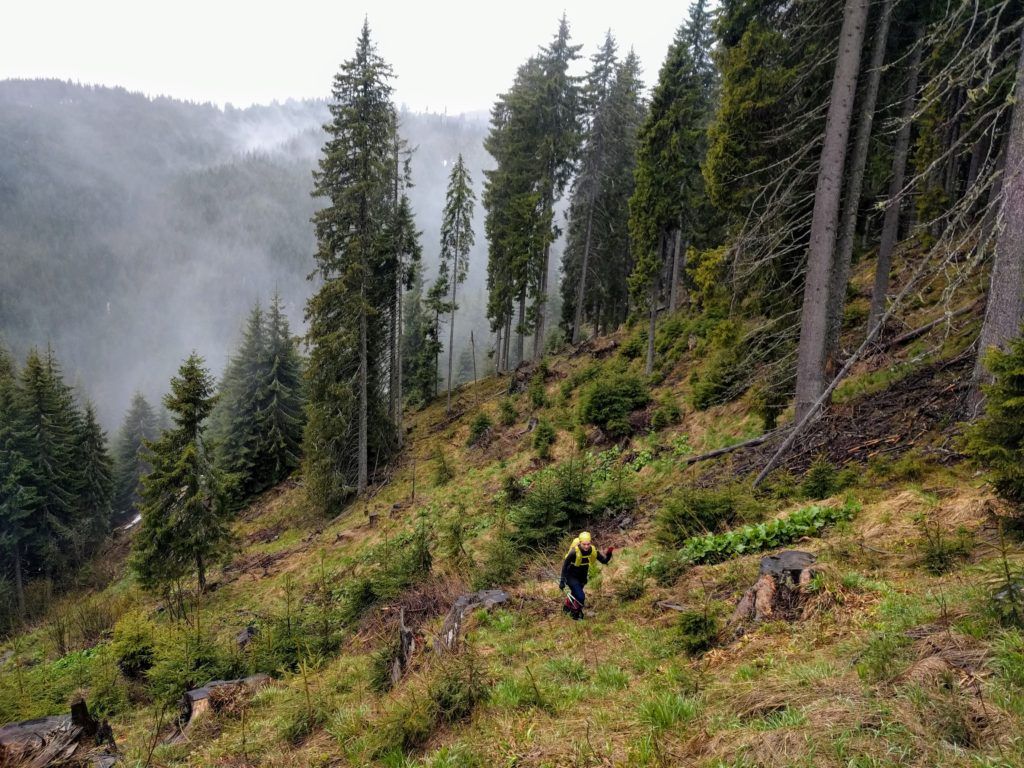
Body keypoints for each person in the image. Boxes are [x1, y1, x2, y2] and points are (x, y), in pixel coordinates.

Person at [559, 531, 613, 620]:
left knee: (576, 593)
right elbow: (564, 566)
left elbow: (604, 561)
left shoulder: (593, 551)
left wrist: (609, 554)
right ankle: (575, 614)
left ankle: (567, 607)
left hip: (582, 577)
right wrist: (562, 581)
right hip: (571, 576)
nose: (586, 546)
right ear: (580, 543)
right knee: (581, 596)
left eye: (588, 544)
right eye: (584, 544)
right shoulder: (573, 552)